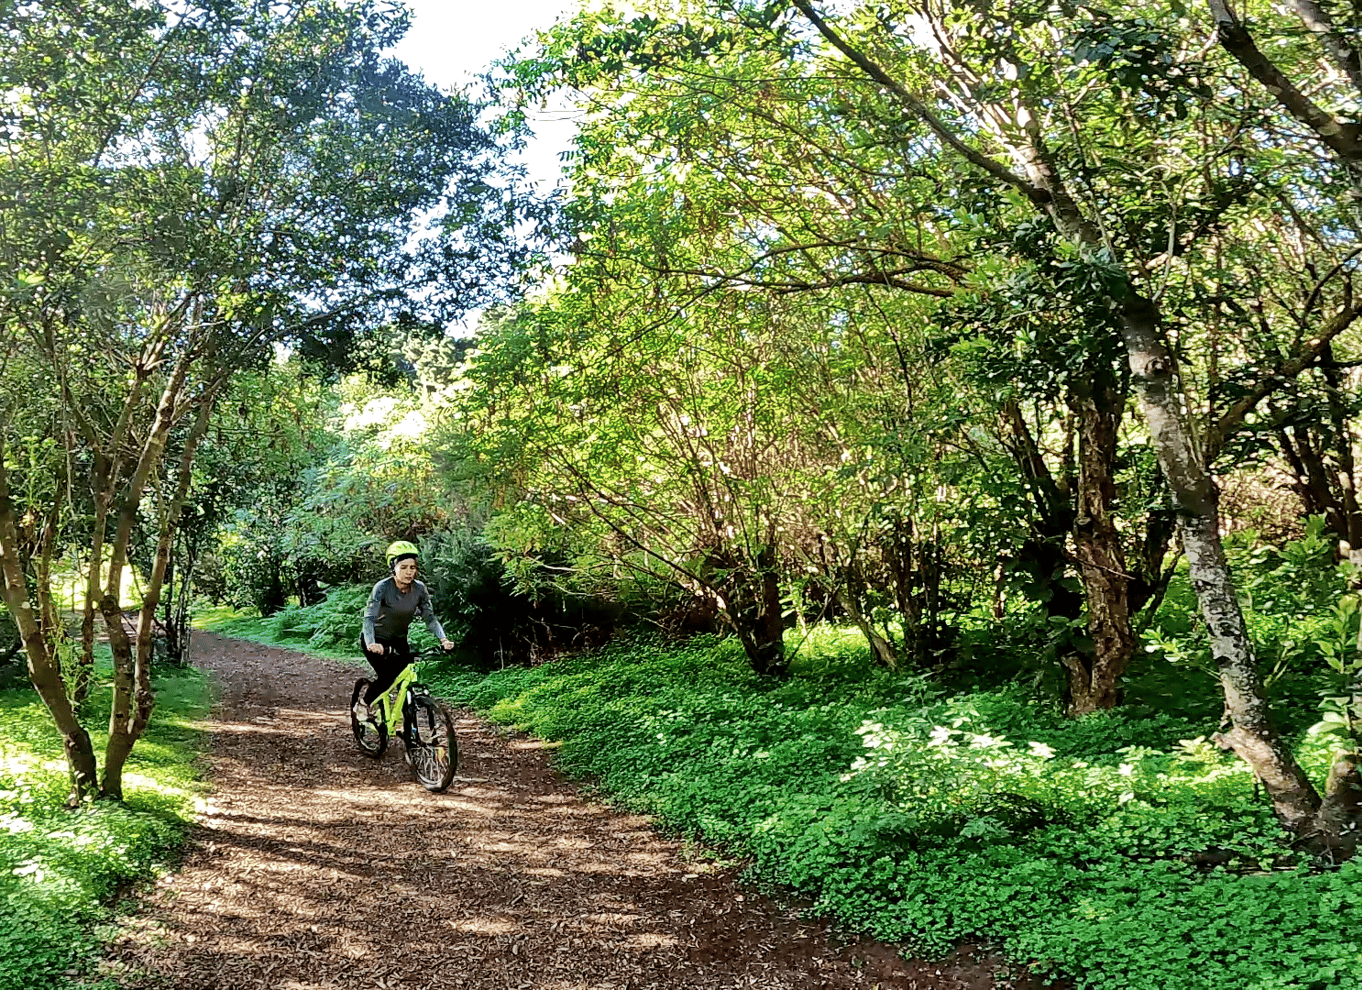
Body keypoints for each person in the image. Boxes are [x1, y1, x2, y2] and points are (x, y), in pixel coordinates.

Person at [359, 540, 454, 706]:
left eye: (412, 567)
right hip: (376, 638)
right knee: (387, 677)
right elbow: (369, 617)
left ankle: (408, 726)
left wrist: (443, 639)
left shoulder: (419, 589)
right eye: (403, 567)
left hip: (399, 640)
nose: (409, 572)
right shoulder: (382, 587)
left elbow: (430, 618)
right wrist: (371, 643)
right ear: (393, 568)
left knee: (407, 680)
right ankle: (363, 704)